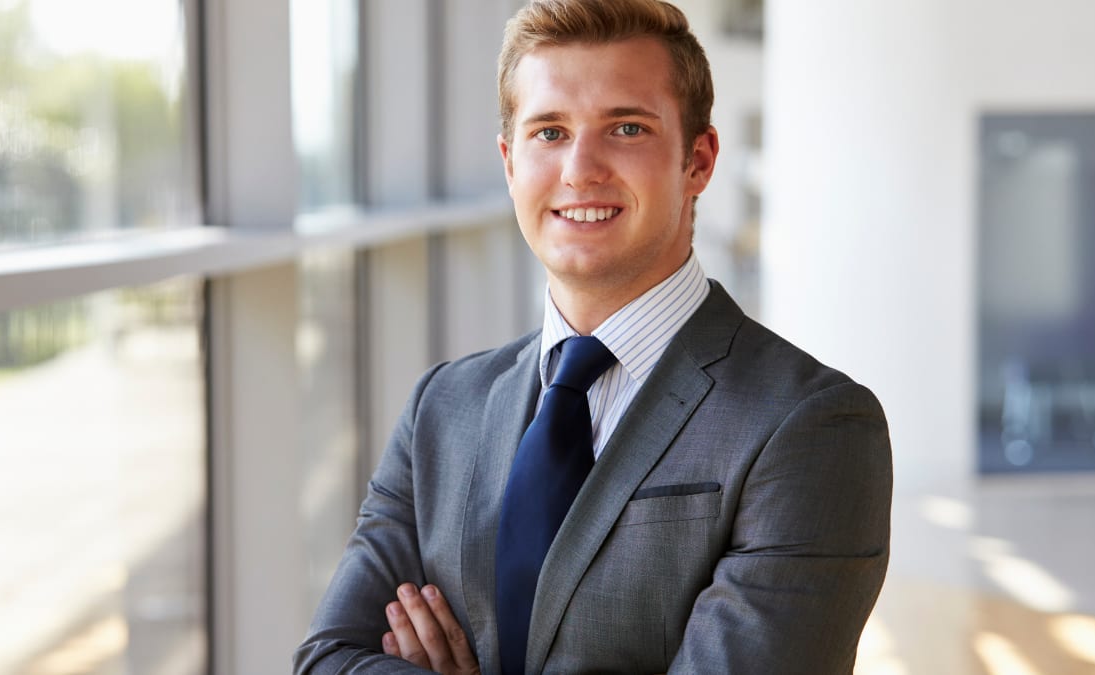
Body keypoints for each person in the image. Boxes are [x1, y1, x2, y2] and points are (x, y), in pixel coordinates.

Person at [294, 0, 892, 673]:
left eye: (627, 127)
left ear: (698, 160)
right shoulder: (441, 408)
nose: (580, 168)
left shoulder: (811, 425)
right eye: (548, 132)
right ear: (509, 161)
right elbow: (328, 660)